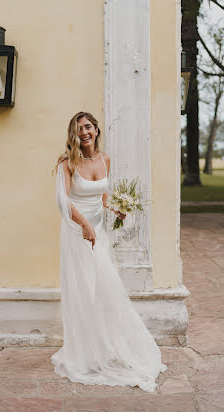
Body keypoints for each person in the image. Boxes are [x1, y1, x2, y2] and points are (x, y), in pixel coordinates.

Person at [51, 111, 167, 392]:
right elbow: (64, 201)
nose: (85, 132)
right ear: (73, 134)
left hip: (98, 233)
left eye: (88, 127)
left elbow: (101, 196)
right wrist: (84, 227)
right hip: (77, 233)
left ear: (96, 129)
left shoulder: (106, 159)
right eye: (79, 129)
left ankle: (103, 348)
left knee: (102, 289)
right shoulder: (67, 164)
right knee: (82, 289)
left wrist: (115, 209)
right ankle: (83, 353)